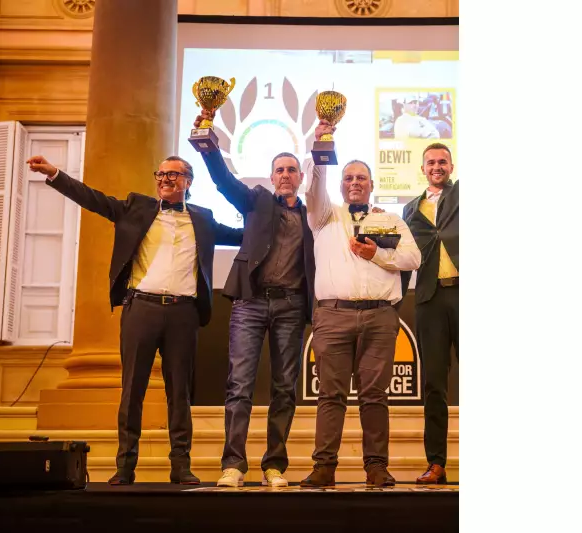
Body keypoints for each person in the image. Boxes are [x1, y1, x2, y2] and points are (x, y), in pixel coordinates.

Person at [26, 154, 243, 486]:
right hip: (141, 308)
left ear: (189, 182)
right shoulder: (135, 207)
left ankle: (180, 465)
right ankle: (125, 466)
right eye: (161, 173)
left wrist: (277, 216)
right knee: (132, 392)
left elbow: (243, 236)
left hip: (184, 313)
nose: (166, 179)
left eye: (175, 174)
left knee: (180, 393)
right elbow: (92, 198)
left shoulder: (203, 218)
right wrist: (55, 174)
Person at [194, 110, 315, 488]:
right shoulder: (257, 201)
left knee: (284, 388)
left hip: (292, 306)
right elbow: (222, 180)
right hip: (251, 302)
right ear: (271, 176)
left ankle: (274, 466)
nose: (284, 175)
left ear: (300, 177)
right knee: (240, 385)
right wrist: (207, 142)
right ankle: (233, 464)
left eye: (291, 169)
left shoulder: (315, 215)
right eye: (279, 169)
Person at [299, 120, 421, 488]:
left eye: (361, 178)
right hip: (333, 316)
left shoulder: (390, 219)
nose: (354, 183)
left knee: (375, 396)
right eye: (349, 178)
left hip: (381, 317)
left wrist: (377, 256)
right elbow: (315, 184)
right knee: (330, 395)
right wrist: (321, 141)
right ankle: (324, 468)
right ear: (341, 185)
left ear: (371, 184)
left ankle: (376, 467)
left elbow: (413, 259)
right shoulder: (323, 215)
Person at [401, 142, 459, 484]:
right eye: (431, 162)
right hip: (429, 299)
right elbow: (403, 257)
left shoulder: (465, 195)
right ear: (422, 169)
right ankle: (436, 463)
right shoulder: (409, 210)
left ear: (451, 166)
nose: (437, 166)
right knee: (434, 385)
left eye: (442, 161)